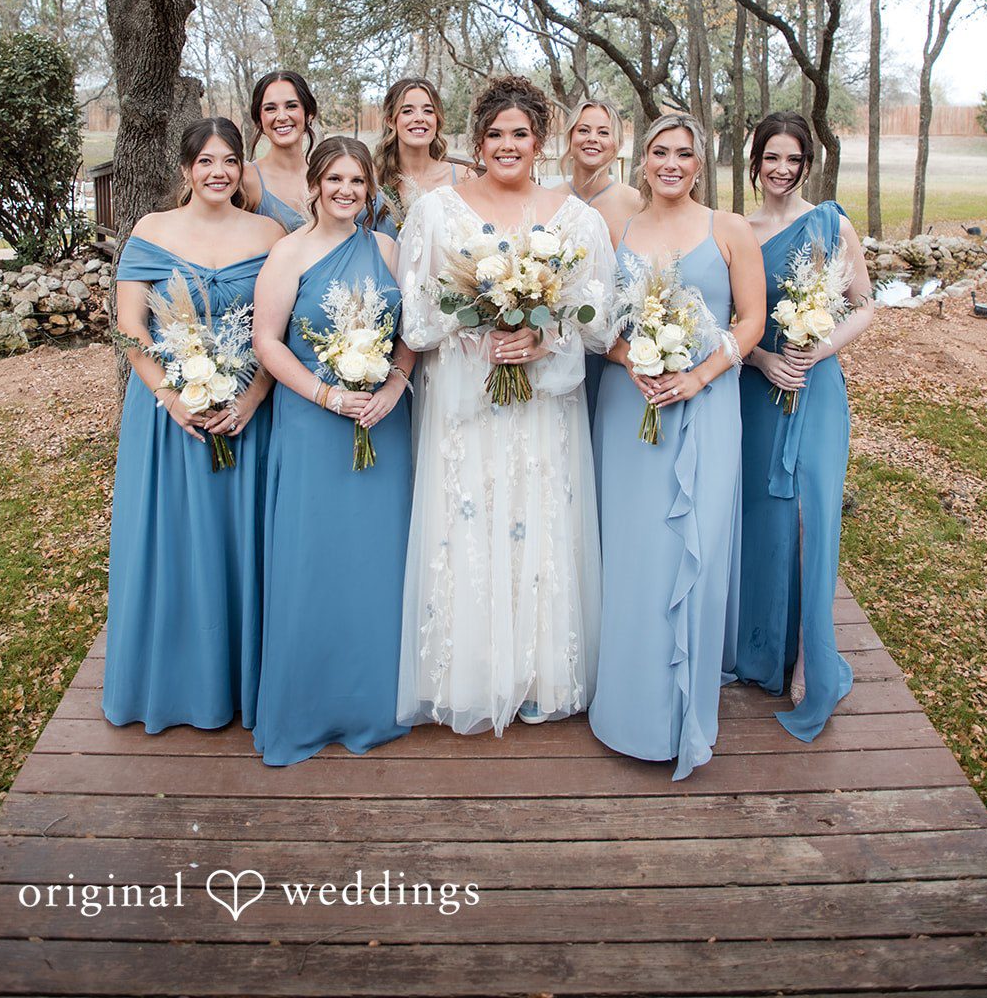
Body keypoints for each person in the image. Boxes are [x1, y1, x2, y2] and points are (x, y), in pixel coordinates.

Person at [396, 74, 616, 735]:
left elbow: (600, 321)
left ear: (541, 141)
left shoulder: (575, 219)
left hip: (541, 410)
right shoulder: (436, 213)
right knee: (468, 524)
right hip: (465, 408)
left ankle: (538, 673)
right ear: (477, 139)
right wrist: (475, 333)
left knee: (538, 522)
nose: (506, 145)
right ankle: (470, 673)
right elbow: (415, 317)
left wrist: (541, 335)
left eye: (520, 134)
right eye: (494, 134)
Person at [588, 113, 766, 779]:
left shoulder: (729, 229)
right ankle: (625, 708)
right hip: (628, 409)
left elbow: (750, 320)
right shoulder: (616, 232)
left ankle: (680, 714)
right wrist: (629, 357)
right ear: (642, 160)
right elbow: (594, 323)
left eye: (682, 154)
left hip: (707, 405)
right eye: (659, 151)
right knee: (633, 556)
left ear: (699, 162)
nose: (670, 163)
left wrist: (698, 374)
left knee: (691, 545)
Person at [103, 118, 283, 733]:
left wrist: (254, 397)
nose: (217, 173)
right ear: (185, 169)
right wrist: (173, 398)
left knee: (242, 542)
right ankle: (177, 680)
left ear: (241, 168)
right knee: (173, 541)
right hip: (168, 419)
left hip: (244, 415)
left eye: (229, 161)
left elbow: (276, 330)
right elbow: (131, 328)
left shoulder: (268, 232)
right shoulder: (151, 233)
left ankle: (241, 682)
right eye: (205, 161)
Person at [252, 136, 415, 765]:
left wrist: (396, 383)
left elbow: (412, 332)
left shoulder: (388, 249)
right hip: (315, 424)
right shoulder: (287, 253)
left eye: (358, 181)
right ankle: (310, 706)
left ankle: (375, 702)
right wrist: (325, 396)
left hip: (382, 419)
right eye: (335, 179)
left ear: (370, 188)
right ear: (314, 185)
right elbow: (269, 342)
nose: (347, 191)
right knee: (314, 557)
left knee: (377, 560)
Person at [735, 111, 874, 740]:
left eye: (794, 160)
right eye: (772, 157)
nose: (782, 170)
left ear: (807, 164)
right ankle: (762, 650)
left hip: (816, 391)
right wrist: (763, 358)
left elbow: (864, 305)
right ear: (755, 161)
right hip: (758, 390)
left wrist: (816, 350)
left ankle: (806, 663)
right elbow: (730, 316)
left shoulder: (830, 223)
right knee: (764, 515)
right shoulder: (739, 230)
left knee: (810, 519)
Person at [551, 98, 642, 426]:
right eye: (584, 130)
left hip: (621, 352)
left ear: (616, 143)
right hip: (557, 348)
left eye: (603, 132)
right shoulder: (549, 200)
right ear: (570, 139)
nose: (593, 138)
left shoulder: (636, 202)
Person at [372, 75, 473, 237]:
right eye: (407, 111)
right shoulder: (373, 180)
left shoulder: (463, 178)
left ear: (437, 120)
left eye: (428, 111)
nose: (419, 118)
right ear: (391, 121)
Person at [241, 69, 319, 232]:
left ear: (309, 114)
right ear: (259, 120)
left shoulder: (327, 174)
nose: (282, 116)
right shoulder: (247, 179)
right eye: (270, 109)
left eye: (291, 106)